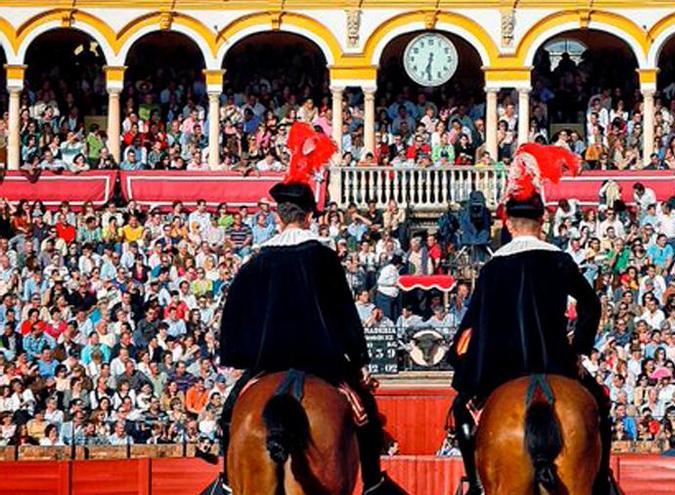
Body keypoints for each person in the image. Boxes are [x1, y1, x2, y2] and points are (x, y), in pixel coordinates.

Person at [215, 123, 405, 495]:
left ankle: (224, 481)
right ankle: (373, 482)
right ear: (309, 215)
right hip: (322, 363)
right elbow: (344, 314)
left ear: (278, 215)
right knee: (363, 413)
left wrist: (243, 355)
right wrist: (358, 357)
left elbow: (235, 317)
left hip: (267, 361)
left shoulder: (258, 260)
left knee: (229, 414)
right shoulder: (323, 257)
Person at [447, 143, 614, 495]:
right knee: (598, 405)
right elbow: (591, 305)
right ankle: (602, 483)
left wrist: (462, 362)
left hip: (501, 369)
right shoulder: (559, 259)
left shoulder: (493, 267)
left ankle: (476, 484)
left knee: (461, 411)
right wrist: (578, 348)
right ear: (542, 222)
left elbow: (472, 325)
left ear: (507, 224)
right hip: (555, 361)